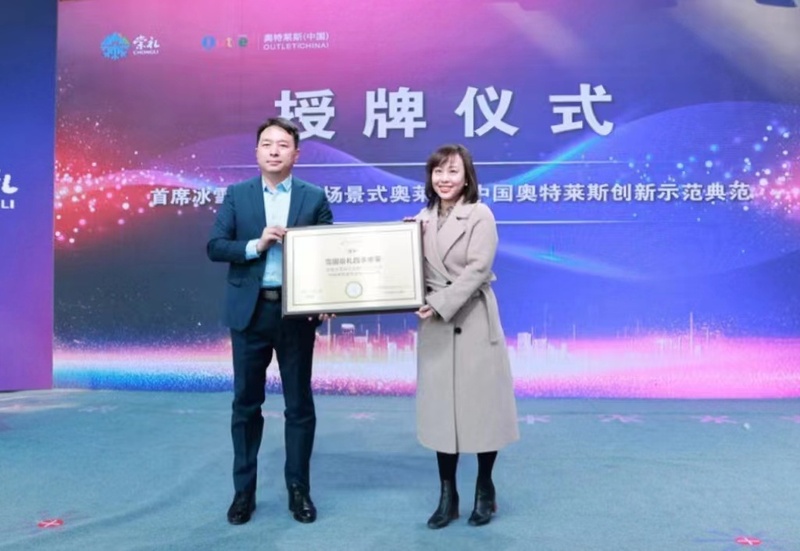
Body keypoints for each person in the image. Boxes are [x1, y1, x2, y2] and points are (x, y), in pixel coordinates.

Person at [207, 117, 333, 525]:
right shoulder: (237, 195)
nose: (274, 150)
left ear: (297, 154)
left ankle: (299, 490)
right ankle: (243, 493)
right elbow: (215, 246)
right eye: (267, 143)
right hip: (250, 312)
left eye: (283, 144)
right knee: (246, 405)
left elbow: (329, 254)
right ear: (257, 152)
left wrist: (329, 297)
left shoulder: (313, 197)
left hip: (295, 314)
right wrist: (255, 245)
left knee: (299, 406)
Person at [409, 144, 519, 529]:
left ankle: (484, 487)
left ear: (467, 176)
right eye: (438, 171)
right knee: (442, 413)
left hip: (471, 319)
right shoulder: (419, 219)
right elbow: (405, 267)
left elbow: (477, 270)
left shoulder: (480, 214)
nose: (444, 179)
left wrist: (440, 302)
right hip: (436, 325)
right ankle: (448, 494)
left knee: (482, 409)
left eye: (452, 171)